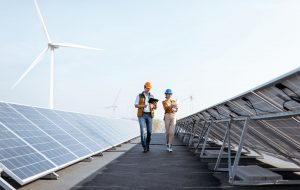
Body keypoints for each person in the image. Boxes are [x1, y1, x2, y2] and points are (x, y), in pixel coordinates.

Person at [134, 82, 157, 153]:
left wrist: (155, 105)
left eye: (149, 88)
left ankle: (147, 145)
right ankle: (144, 146)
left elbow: (155, 107)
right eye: (147, 88)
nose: (148, 89)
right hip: (142, 115)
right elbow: (135, 105)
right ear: (144, 87)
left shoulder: (152, 96)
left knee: (149, 132)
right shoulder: (139, 95)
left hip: (150, 115)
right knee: (143, 131)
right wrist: (143, 106)